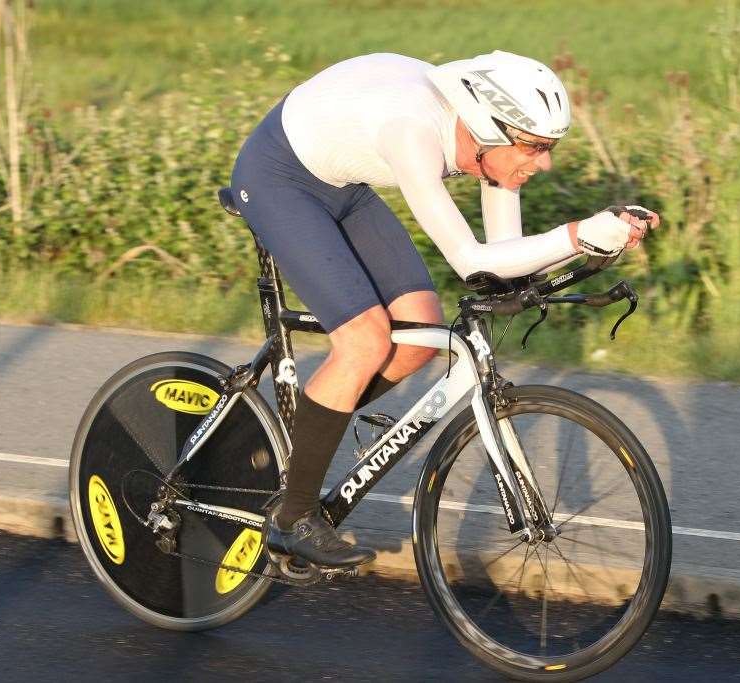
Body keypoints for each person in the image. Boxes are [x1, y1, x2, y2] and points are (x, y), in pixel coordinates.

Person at [230, 50, 659, 569]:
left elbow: (502, 265)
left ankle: (302, 446)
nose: (544, 162)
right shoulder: (415, 133)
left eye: (549, 148)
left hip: (341, 187)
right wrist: (574, 233)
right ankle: (292, 517)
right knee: (365, 341)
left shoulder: (488, 150)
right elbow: (469, 258)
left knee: (418, 332)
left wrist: (595, 242)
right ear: (491, 129)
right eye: (537, 147)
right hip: (279, 175)